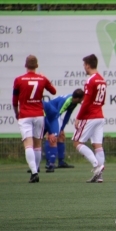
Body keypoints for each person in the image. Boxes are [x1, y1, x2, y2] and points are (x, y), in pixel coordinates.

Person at [12, 55, 57, 183]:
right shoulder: (42, 79)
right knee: (37, 144)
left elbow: (14, 101)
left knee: (28, 144)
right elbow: (53, 91)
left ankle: (34, 172)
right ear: (37, 66)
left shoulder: (18, 80)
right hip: (38, 114)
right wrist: (45, 78)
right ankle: (36, 169)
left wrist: (17, 113)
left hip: (25, 115)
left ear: (25, 66)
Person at [72, 54, 106, 183]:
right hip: (100, 116)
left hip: (90, 116)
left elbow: (86, 102)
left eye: (84, 65)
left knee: (77, 142)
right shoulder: (102, 80)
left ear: (87, 65)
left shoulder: (90, 80)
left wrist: (78, 117)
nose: (84, 68)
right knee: (97, 145)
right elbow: (102, 101)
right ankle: (99, 176)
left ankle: (97, 165)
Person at [43, 89, 84, 172]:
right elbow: (57, 113)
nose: (83, 100)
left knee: (61, 136)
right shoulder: (67, 101)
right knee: (51, 136)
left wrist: (62, 128)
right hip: (50, 114)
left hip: (55, 114)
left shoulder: (74, 102)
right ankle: (48, 162)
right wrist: (55, 128)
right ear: (78, 98)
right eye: (82, 98)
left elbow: (68, 115)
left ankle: (61, 162)